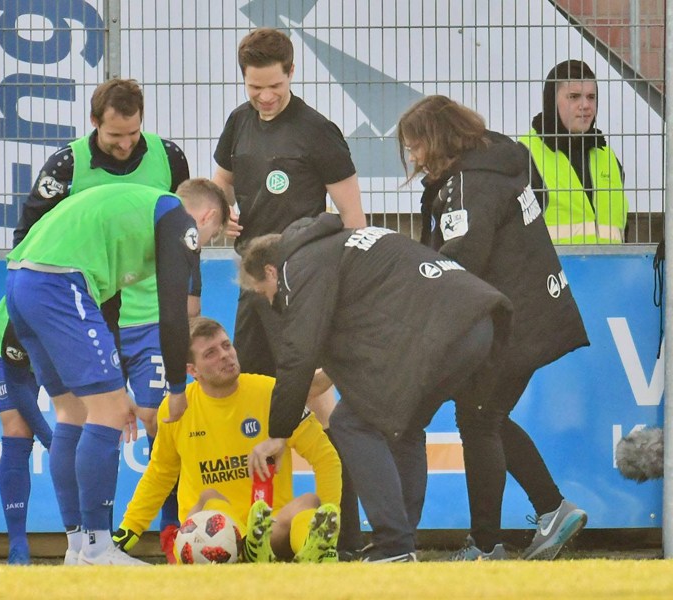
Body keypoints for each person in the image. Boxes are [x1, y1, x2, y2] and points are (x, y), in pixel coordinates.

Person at [241, 213, 514, 563]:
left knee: (350, 421)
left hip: (437, 331)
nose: (271, 302)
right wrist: (328, 377)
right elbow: (379, 321)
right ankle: (401, 542)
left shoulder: (299, 264)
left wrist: (279, 432)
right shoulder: (343, 243)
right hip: (480, 324)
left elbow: (299, 351)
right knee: (406, 426)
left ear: (269, 271)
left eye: (266, 294)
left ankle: (394, 543)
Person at [398, 94, 590, 560]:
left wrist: (410, 291)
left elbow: (464, 255)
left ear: (437, 140)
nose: (412, 157)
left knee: (479, 419)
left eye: (415, 145)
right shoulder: (494, 161)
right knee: (486, 416)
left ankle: (484, 546)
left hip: (513, 323)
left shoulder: (468, 182)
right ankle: (551, 509)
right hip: (533, 313)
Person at [4, 180, 230, 565]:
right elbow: (174, 312)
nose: (199, 245)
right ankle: (98, 548)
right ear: (206, 217)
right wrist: (177, 388)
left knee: (72, 413)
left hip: (21, 281)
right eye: (210, 237)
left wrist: (111, 383)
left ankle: (77, 547)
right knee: (108, 412)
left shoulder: (134, 212)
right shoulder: (179, 219)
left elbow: (107, 305)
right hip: (61, 281)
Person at [15, 78, 193, 563]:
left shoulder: (169, 157)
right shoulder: (67, 163)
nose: (125, 145)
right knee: (110, 414)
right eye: (115, 136)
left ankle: (133, 539)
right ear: (95, 123)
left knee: (125, 421)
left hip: (144, 311)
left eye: (133, 134)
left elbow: (186, 232)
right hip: (80, 302)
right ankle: (95, 543)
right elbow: (29, 234)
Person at [212, 26, 367, 554]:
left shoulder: (318, 132)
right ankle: (256, 531)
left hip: (303, 288)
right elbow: (218, 189)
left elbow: (353, 218)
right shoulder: (239, 123)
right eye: (256, 87)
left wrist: (337, 291)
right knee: (255, 404)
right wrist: (224, 218)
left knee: (319, 409)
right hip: (253, 288)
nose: (265, 97)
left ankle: (347, 532)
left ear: (292, 74)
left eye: (274, 86)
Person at [113, 317, 343, 563]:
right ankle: (251, 547)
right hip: (207, 540)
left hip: (269, 531)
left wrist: (333, 515)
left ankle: (317, 548)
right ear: (192, 370)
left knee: (309, 502)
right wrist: (131, 529)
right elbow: (160, 474)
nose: (225, 355)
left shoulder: (272, 393)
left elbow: (326, 458)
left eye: (226, 345)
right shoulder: (177, 407)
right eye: (211, 353)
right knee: (209, 497)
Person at [518, 59, 628, 244]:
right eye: (574, 96)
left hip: (610, 270)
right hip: (554, 272)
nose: (585, 105)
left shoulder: (607, 156)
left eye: (591, 97)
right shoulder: (526, 155)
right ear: (552, 101)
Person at [0, 298, 53, 565]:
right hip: (13, 350)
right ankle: (18, 546)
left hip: (64, 348)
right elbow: (18, 391)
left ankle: (92, 540)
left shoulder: (79, 315)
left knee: (85, 429)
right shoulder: (16, 318)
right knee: (17, 431)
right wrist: (52, 442)